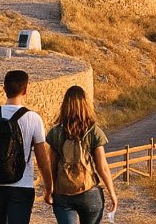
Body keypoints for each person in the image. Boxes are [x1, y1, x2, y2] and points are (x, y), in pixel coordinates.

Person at [0, 70, 53, 224]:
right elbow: (42, 158)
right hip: (22, 183)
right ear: (25, 90)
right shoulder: (33, 118)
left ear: (4, 89)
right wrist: (49, 186)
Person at [45, 85, 118, 224]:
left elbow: (51, 168)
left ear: (65, 105)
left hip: (62, 194)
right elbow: (102, 168)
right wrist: (112, 193)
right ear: (85, 104)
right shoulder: (94, 132)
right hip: (89, 192)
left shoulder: (55, 133)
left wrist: (49, 191)